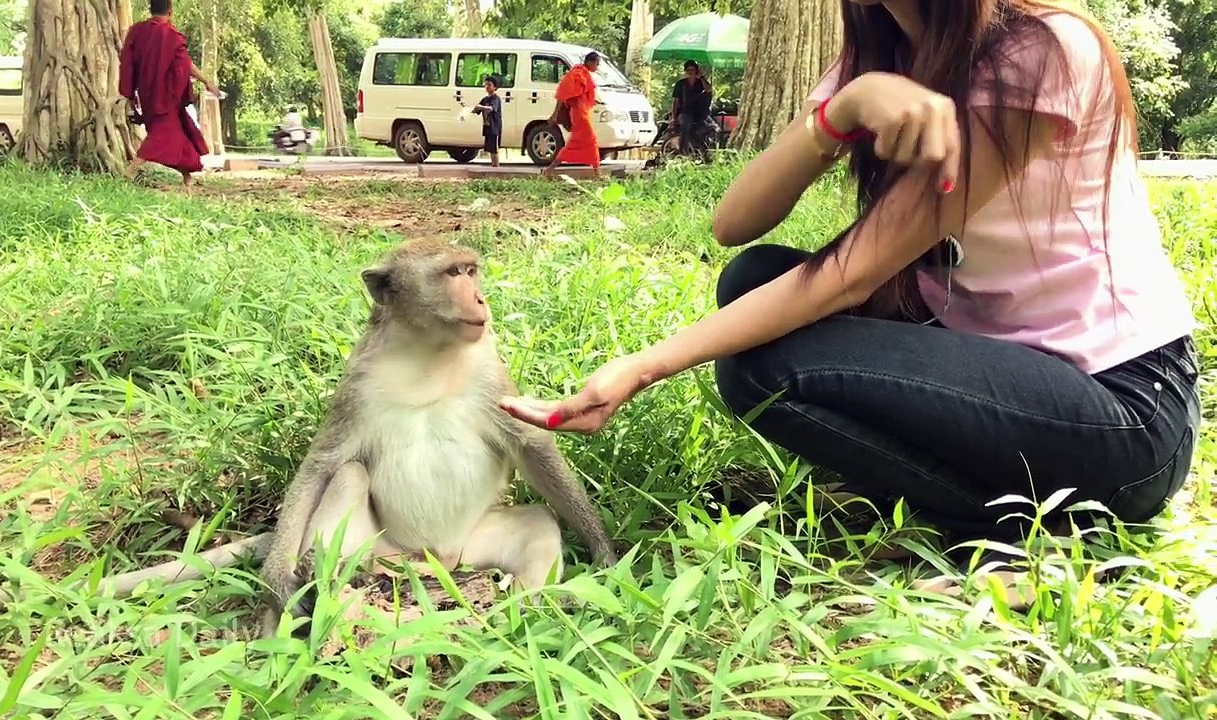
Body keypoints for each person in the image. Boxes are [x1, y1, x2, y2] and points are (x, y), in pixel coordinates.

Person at [501, 0, 1200, 606]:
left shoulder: (1040, 49)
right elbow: (733, 223)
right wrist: (846, 107)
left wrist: (642, 366)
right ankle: (975, 507)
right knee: (751, 279)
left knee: (761, 370)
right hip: (996, 369)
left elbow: (853, 275)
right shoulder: (881, 54)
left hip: (1121, 409)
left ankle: (1023, 528)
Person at [118, 0, 219, 186]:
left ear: (150, 9)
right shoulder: (171, 35)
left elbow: (127, 63)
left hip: (147, 95)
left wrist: (130, 95)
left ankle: (187, 184)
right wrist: (206, 81)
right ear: (170, 11)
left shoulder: (137, 31)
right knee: (161, 136)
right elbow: (185, 65)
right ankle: (130, 171)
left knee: (181, 136)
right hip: (167, 97)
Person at [544, 51, 603, 178]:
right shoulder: (577, 73)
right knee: (590, 141)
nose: (597, 67)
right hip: (579, 114)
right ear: (590, 62)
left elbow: (581, 93)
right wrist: (555, 114)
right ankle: (597, 173)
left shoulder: (584, 74)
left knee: (580, 142)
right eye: (597, 64)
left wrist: (593, 100)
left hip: (583, 112)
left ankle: (550, 169)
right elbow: (563, 94)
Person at [670, 60, 713, 153]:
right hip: (685, 112)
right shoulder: (681, 84)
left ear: (696, 71)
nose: (690, 72)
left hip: (699, 112)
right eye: (688, 70)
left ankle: (704, 151)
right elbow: (675, 101)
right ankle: (683, 152)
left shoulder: (700, 82)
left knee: (712, 128)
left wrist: (701, 77)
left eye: (692, 70)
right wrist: (673, 117)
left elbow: (709, 89)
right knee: (685, 125)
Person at [472, 75, 503, 167]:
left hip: (494, 127)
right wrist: (473, 110)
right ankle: (493, 165)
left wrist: (481, 107)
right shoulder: (485, 99)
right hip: (487, 126)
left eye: (489, 85)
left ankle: (496, 167)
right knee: (489, 148)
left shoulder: (496, 99)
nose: (487, 87)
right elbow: (477, 109)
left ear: (495, 87)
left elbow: (491, 108)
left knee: (494, 149)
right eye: (486, 85)